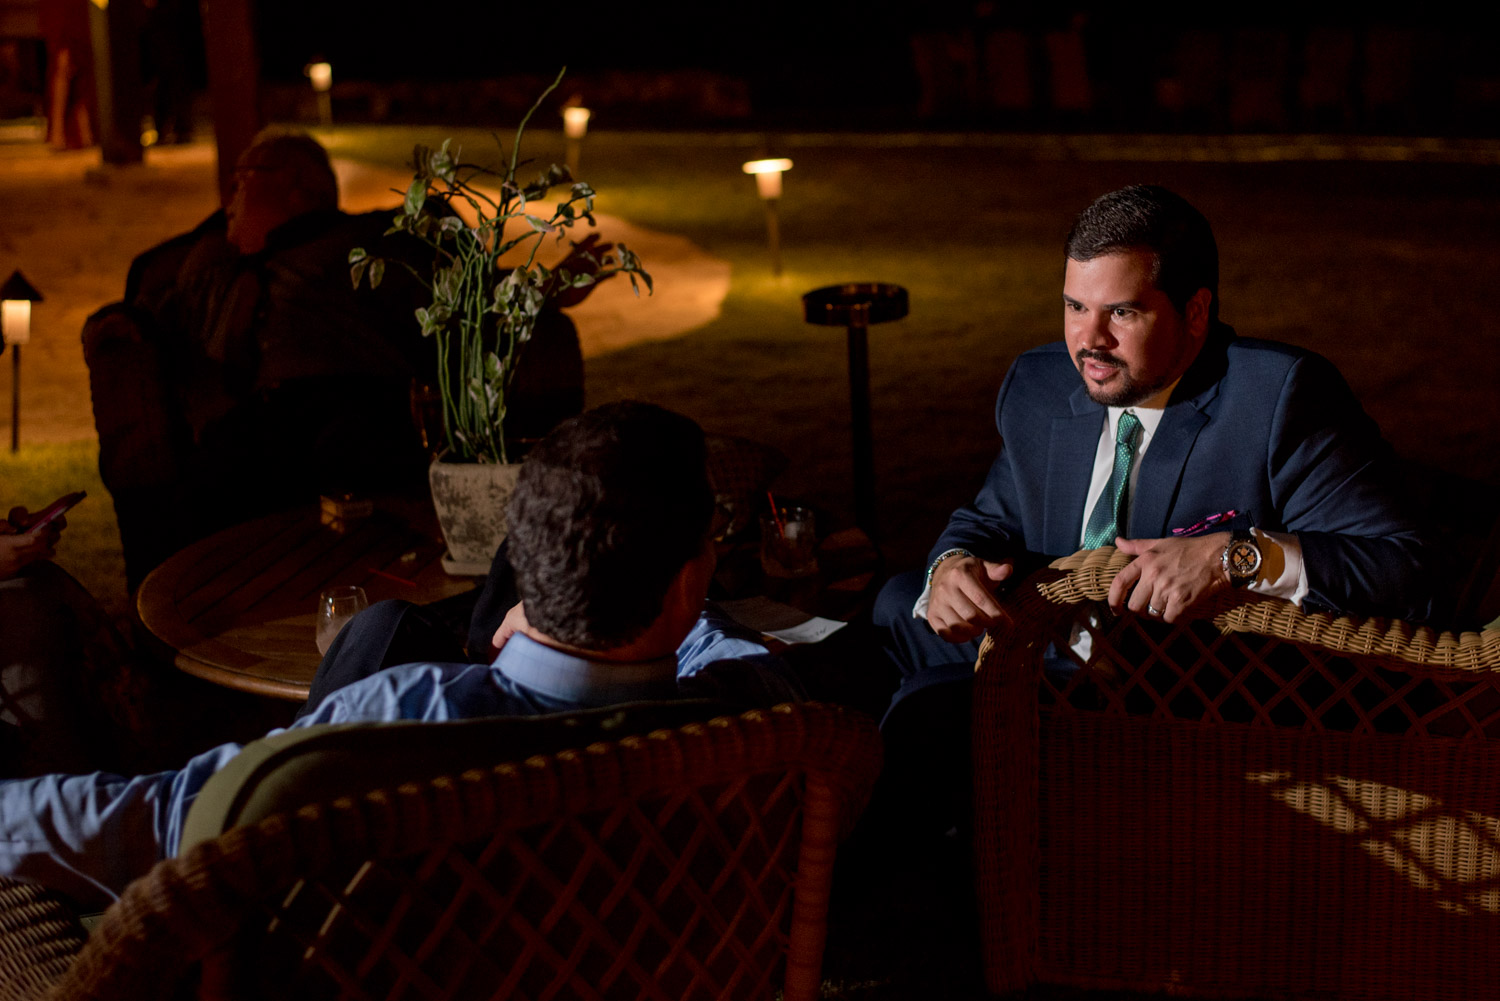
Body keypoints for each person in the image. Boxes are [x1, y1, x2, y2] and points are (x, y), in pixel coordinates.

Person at [0, 402, 802, 910]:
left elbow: (161, 823)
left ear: (528, 562)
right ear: (687, 582)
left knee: (381, 628)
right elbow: (722, 645)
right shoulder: (758, 722)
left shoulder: (402, 718)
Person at [871, 184, 1443, 818]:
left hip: (1183, 703)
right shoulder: (1038, 384)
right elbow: (987, 519)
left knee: (930, 706)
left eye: (1121, 313)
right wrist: (951, 566)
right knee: (897, 608)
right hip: (1051, 656)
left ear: (1195, 313)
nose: (1089, 341)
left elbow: (1406, 568)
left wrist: (1235, 558)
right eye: (1074, 307)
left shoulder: (1277, 397)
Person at [82, 131, 588, 588]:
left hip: (356, 405)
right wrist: (119, 321)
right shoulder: (205, 264)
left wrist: (548, 286)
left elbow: (472, 295)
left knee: (345, 453)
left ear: (298, 186)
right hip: (247, 428)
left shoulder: (368, 244)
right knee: (208, 491)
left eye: (244, 178)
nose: (228, 195)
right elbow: (150, 316)